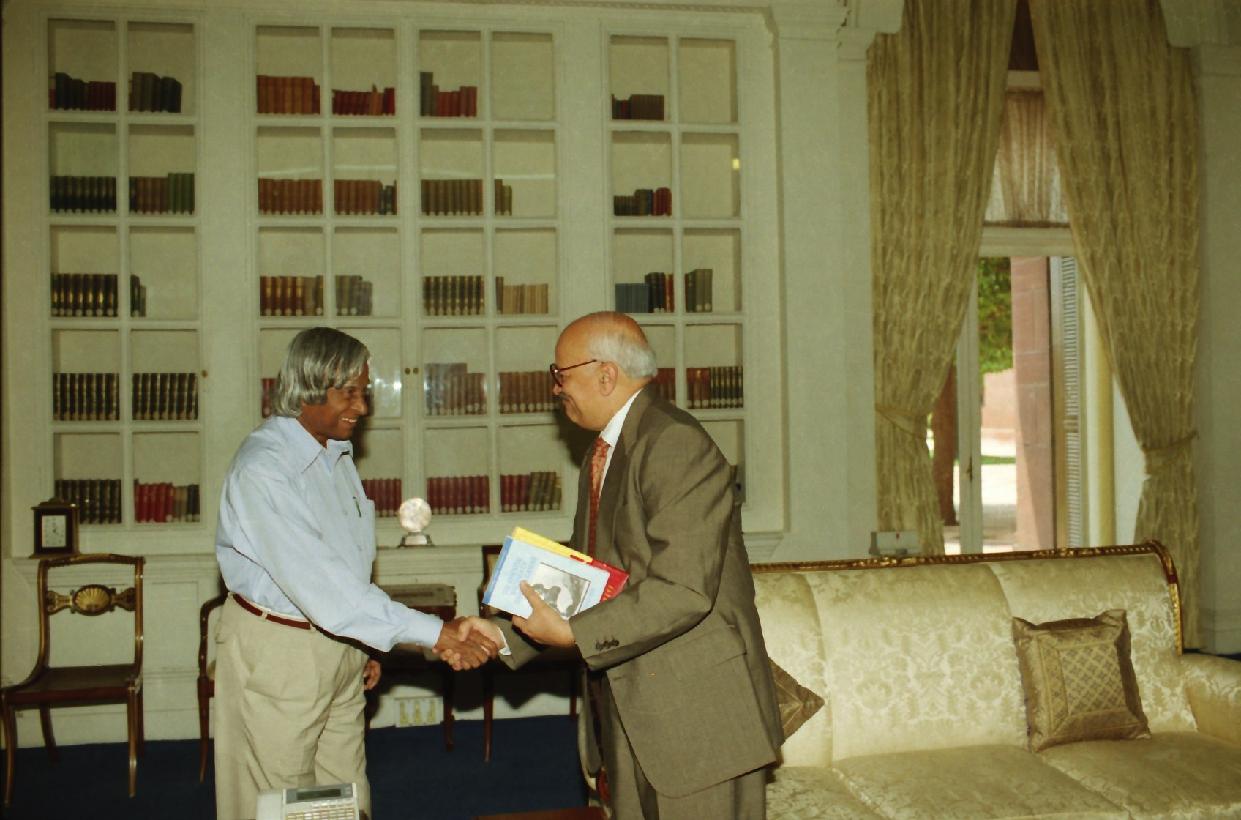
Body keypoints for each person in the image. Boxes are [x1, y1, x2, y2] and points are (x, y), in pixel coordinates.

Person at [490, 311, 782, 819]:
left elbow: (682, 589)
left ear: (605, 375)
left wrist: (574, 635)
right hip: (631, 705)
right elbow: (591, 578)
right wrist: (502, 634)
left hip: (696, 720)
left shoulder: (673, 443)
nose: (556, 388)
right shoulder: (606, 450)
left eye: (561, 374)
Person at [213, 327, 496, 820]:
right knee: (281, 803)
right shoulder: (264, 470)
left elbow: (346, 569)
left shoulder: (335, 453)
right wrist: (437, 633)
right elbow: (322, 586)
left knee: (344, 796)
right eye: (348, 393)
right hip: (282, 654)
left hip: (337, 643)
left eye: (363, 392)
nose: (361, 407)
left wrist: (361, 647)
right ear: (307, 387)